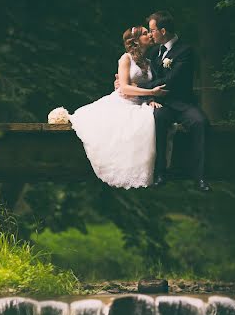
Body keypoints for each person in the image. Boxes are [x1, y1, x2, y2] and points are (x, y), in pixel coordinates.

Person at [69, 26, 167, 189]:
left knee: (148, 121)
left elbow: (151, 82)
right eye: (144, 33)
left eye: (148, 32)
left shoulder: (150, 62)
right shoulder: (126, 59)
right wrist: (151, 92)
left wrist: (150, 97)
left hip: (141, 103)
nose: (149, 35)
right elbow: (124, 88)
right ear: (135, 41)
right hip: (123, 101)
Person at [142, 10, 211, 191]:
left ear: (163, 31)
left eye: (152, 30)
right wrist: (149, 95)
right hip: (162, 104)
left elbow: (172, 80)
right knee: (156, 121)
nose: (150, 34)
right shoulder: (155, 51)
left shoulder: (185, 50)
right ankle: (160, 174)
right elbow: (151, 75)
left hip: (183, 104)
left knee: (200, 122)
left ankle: (200, 178)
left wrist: (142, 86)